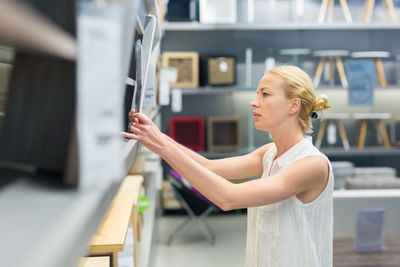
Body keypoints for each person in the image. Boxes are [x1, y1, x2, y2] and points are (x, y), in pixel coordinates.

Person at [123, 65, 333, 267]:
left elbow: (229, 197)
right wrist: (158, 137)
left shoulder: (311, 164)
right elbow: (208, 167)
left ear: (293, 106)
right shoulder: (269, 153)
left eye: (265, 94)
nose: (253, 102)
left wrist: (161, 146)